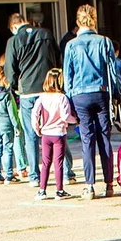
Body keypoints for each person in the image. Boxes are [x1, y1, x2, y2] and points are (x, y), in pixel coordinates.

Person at [62, 4, 121, 200]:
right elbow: (112, 72)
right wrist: (117, 94)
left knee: (87, 139)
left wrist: (70, 100)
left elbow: (68, 75)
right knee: (104, 138)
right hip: (101, 92)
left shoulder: (71, 45)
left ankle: (89, 185)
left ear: (78, 21)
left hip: (80, 95)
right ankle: (108, 184)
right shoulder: (105, 42)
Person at [4, 12, 68, 183]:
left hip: (27, 92)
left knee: (31, 133)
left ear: (13, 27)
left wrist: (14, 87)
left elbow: (10, 69)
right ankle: (67, 172)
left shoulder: (13, 41)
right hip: (48, 88)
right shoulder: (45, 34)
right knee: (58, 128)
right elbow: (57, 58)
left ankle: (34, 175)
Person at [30, 68, 77, 200]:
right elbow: (65, 116)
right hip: (59, 133)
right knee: (58, 163)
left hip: (46, 133)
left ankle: (42, 190)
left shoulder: (42, 97)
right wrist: (75, 120)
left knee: (45, 162)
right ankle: (59, 190)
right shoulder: (62, 98)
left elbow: (34, 113)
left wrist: (37, 128)